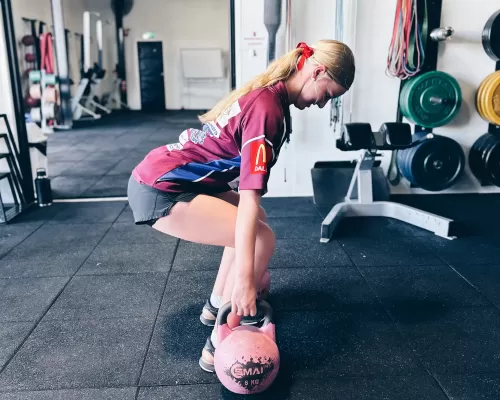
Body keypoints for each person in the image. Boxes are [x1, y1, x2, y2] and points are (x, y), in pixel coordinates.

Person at [127, 39, 355, 372]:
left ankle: (216, 305)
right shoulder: (269, 110)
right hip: (160, 190)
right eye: (328, 94)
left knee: (256, 222)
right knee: (262, 238)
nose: (323, 104)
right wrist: (247, 282)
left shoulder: (272, 96)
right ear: (317, 71)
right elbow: (248, 199)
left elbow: (250, 206)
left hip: (166, 177)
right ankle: (219, 341)